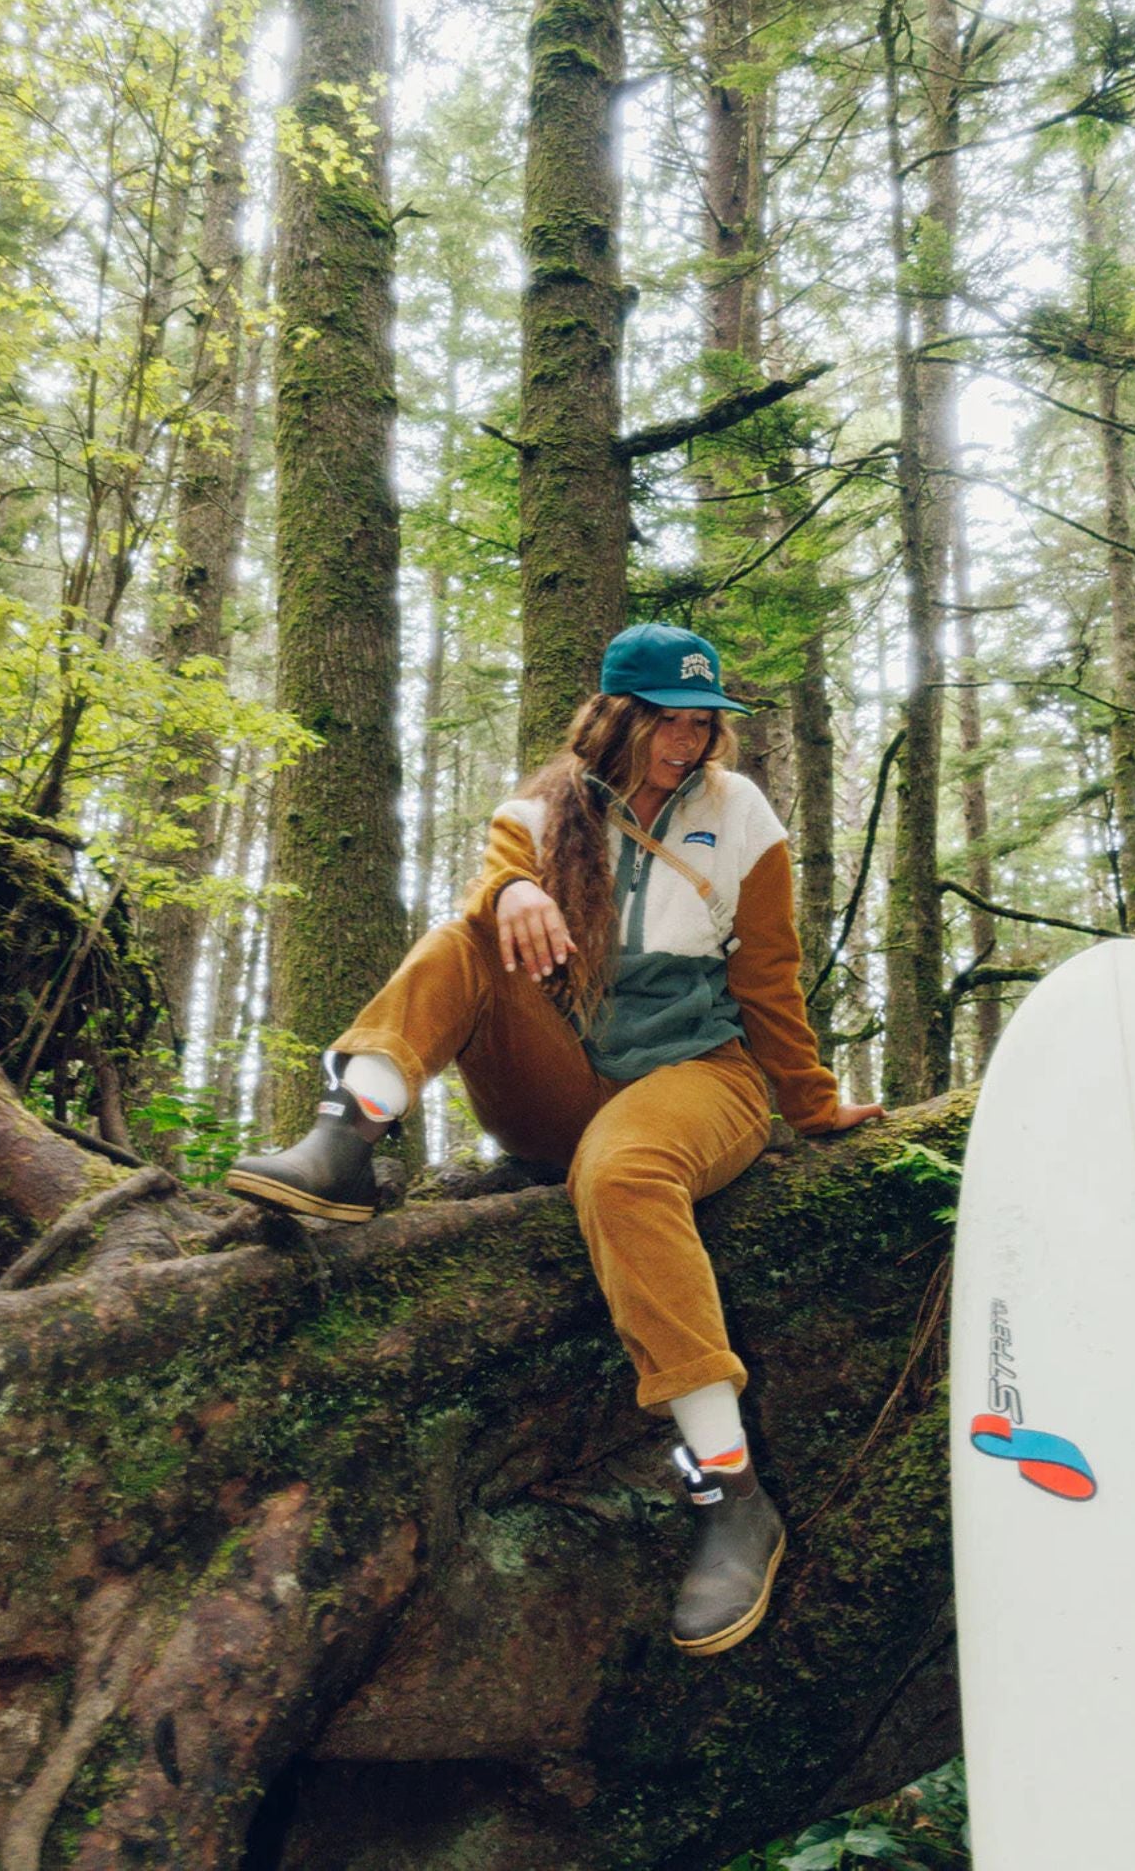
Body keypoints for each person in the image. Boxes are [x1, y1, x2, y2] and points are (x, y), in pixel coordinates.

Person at [228, 623, 883, 1655]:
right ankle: (345, 1138)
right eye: (666, 720)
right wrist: (517, 888)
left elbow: (767, 977)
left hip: (693, 1077)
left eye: (702, 721)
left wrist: (810, 1103)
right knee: (461, 938)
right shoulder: (536, 812)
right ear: (615, 719)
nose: (688, 740)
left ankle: (731, 1490)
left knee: (621, 1175)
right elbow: (488, 903)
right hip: (560, 1081)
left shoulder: (738, 814)